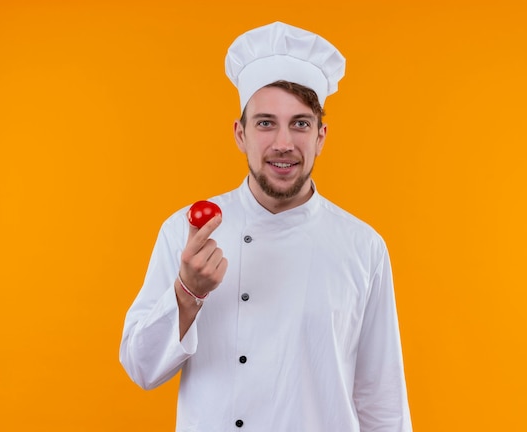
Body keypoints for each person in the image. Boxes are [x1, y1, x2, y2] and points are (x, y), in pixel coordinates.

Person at [120, 21, 412, 431]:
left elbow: (381, 401)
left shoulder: (363, 247)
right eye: (265, 123)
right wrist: (187, 293)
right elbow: (141, 368)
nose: (283, 143)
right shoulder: (187, 232)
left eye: (300, 123)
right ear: (240, 134)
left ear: (321, 136)